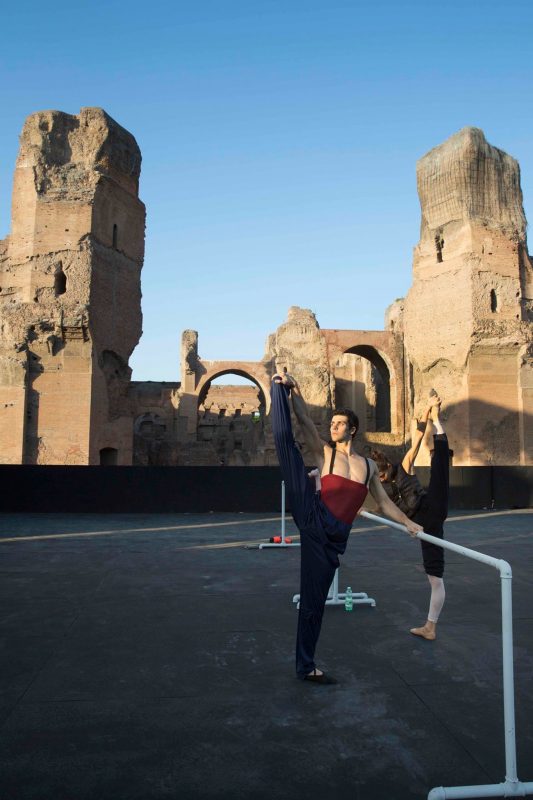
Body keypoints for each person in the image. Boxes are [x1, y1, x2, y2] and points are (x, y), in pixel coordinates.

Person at [270, 369, 423, 685]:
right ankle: (277, 392)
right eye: (332, 423)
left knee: (315, 602)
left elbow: (381, 502)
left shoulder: (367, 467)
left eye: (339, 424)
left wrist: (408, 522)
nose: (333, 427)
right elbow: (305, 423)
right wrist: (292, 390)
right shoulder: (324, 452)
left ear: (352, 430)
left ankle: (305, 665)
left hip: (335, 537)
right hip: (313, 517)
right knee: (287, 444)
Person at [371, 391, 449, 641]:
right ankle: (430, 627)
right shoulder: (382, 489)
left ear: (386, 470)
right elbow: (382, 508)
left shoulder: (403, 466)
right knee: (434, 579)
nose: (380, 481)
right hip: (422, 527)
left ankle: (439, 423)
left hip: (431, 508)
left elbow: (415, 441)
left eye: (381, 477)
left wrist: (427, 416)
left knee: (439, 467)